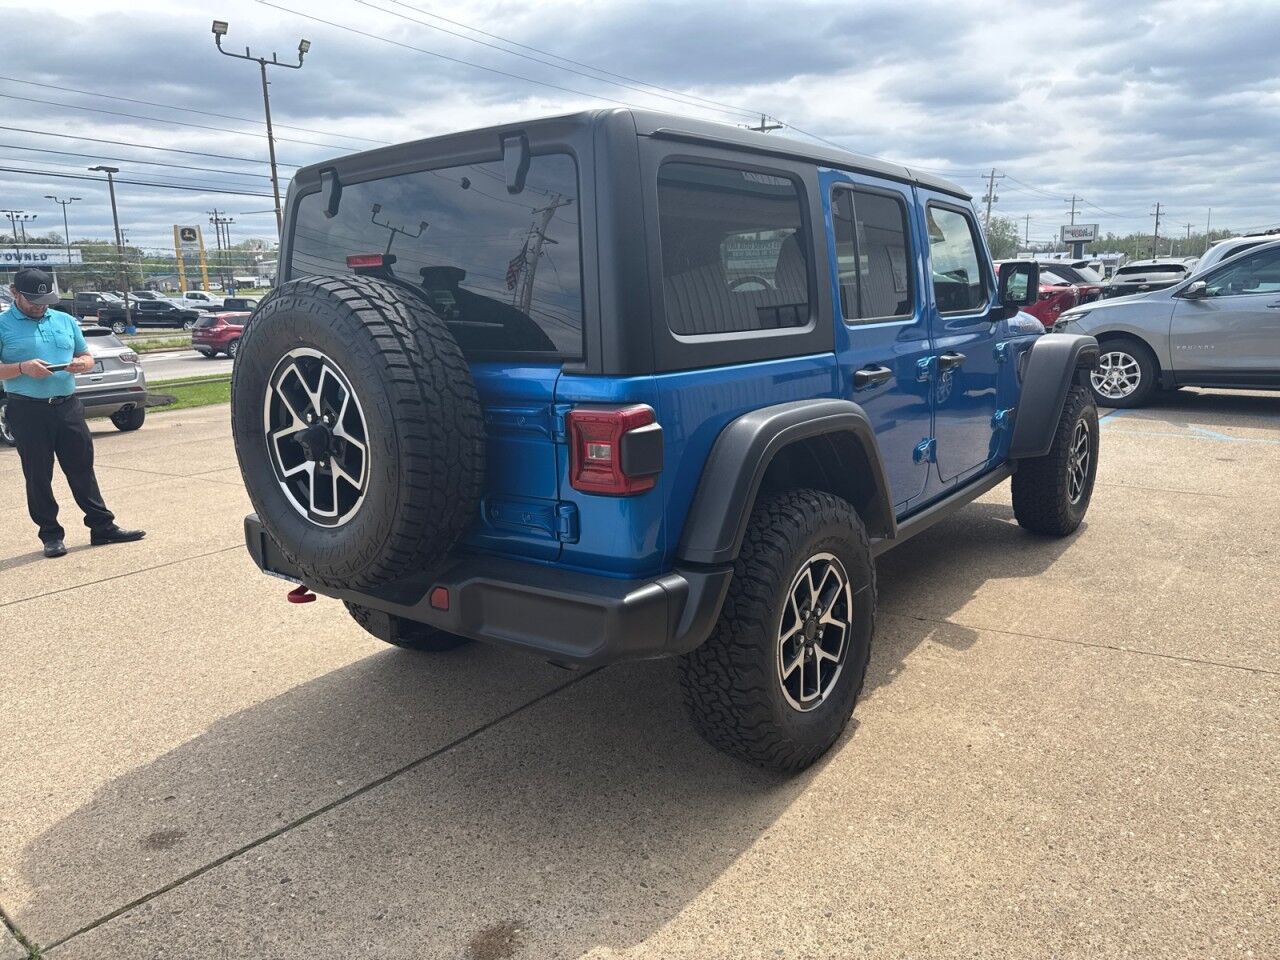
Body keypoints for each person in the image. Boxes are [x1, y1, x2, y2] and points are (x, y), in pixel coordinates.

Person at [0, 268, 145, 558]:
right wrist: (21, 368)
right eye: (33, 300)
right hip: (27, 409)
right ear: (14, 293)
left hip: (67, 405)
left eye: (45, 299)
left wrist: (83, 363)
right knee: (38, 474)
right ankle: (50, 535)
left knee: (82, 468)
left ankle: (102, 527)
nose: (41, 305)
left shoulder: (64, 320)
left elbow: (86, 355)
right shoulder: (3, 325)